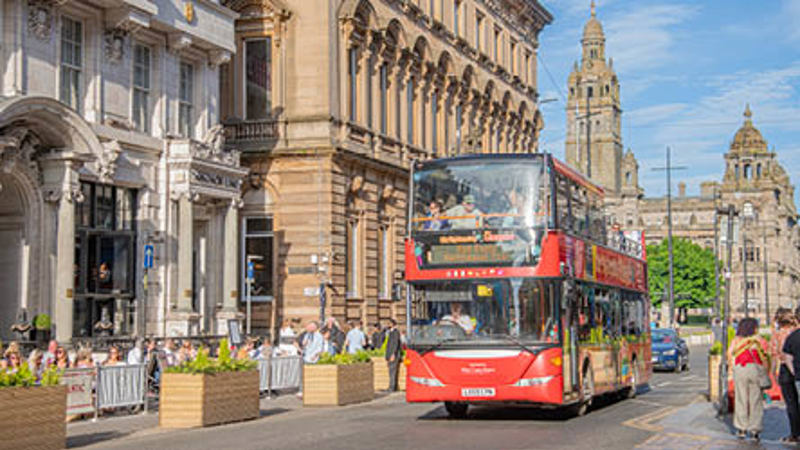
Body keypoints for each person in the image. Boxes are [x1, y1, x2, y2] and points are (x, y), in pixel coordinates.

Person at [728, 317, 769, 441]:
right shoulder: (759, 340)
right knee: (756, 400)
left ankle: (741, 428)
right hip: (756, 370)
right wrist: (766, 373)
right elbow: (766, 356)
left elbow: (729, 354)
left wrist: (732, 368)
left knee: (741, 399)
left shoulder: (736, 340)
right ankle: (755, 430)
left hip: (740, 369)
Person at [772, 309, 800, 443]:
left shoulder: (777, 335)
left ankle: (795, 434)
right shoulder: (795, 333)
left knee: (791, 404)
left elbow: (773, 354)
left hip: (785, 369)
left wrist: (772, 371)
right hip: (798, 367)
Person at [385, 318, 402, 392]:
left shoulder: (395, 332)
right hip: (390, 355)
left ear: (392, 324)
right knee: (391, 371)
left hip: (393, 355)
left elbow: (395, 344)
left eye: (389, 323)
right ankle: (392, 386)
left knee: (392, 371)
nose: (387, 325)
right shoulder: (390, 332)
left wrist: (393, 354)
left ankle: (392, 387)